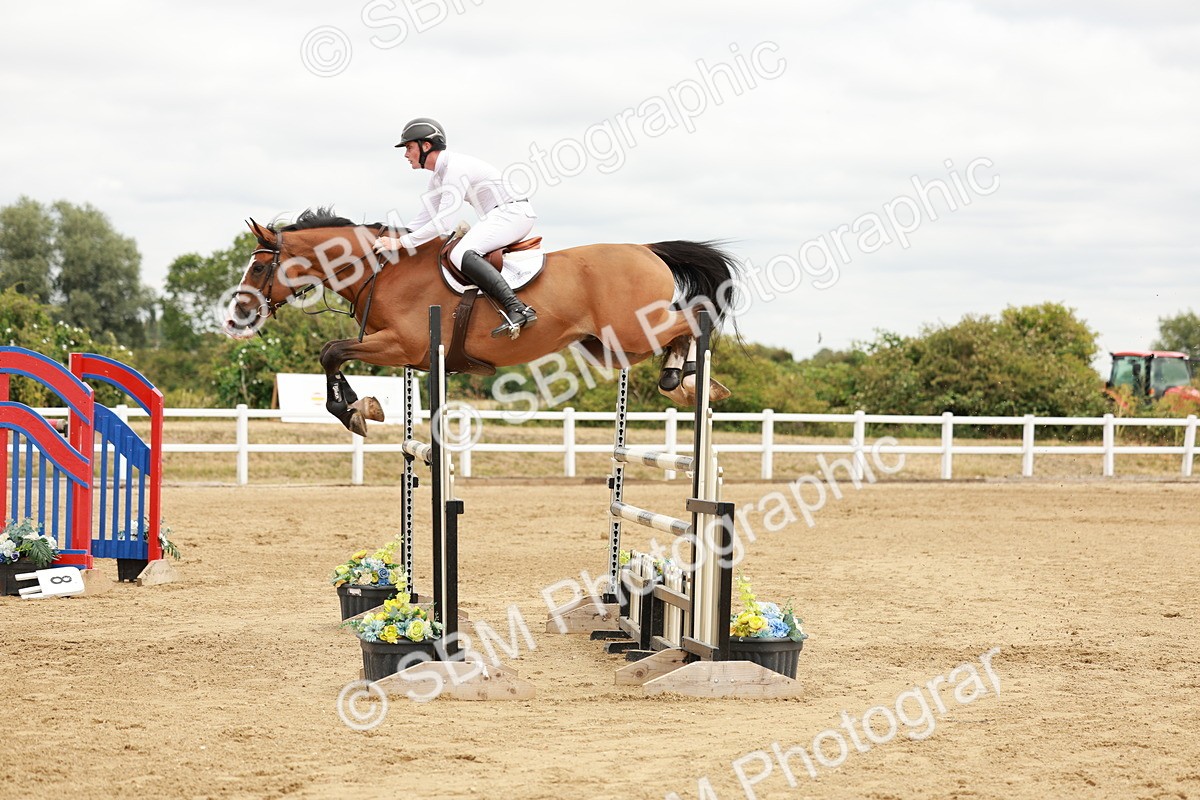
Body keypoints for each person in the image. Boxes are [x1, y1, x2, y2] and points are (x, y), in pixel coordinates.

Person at [373, 118, 538, 338]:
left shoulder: (454, 169)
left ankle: (518, 308)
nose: (406, 154)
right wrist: (389, 235)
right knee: (460, 250)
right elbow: (422, 220)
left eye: (409, 147)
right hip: (502, 214)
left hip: (513, 214)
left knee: (461, 252)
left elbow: (443, 223)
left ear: (426, 146)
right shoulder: (437, 178)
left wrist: (401, 243)